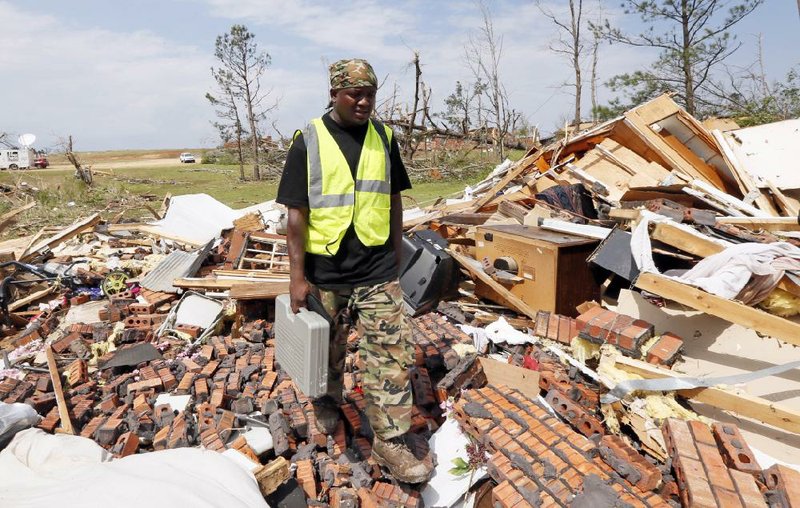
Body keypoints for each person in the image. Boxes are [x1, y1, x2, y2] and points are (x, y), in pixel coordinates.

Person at [276, 58, 433, 484]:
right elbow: (296, 216)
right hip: (326, 270)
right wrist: (296, 277)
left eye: (370, 95)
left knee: (392, 355)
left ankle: (390, 440)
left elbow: (395, 198)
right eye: (355, 95)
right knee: (329, 350)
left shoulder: (384, 137)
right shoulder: (308, 140)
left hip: (378, 268)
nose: (364, 103)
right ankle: (327, 400)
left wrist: (397, 251)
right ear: (334, 95)